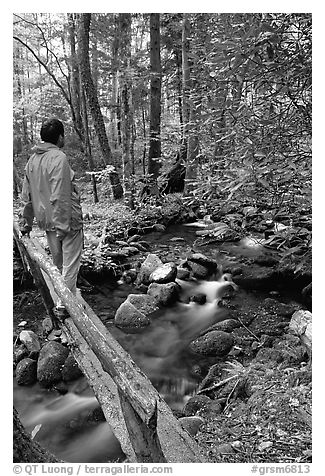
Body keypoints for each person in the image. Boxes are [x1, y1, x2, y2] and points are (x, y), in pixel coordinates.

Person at [19, 118, 83, 312]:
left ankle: (64, 299)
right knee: (70, 265)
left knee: (58, 263)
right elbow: (60, 195)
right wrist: (63, 227)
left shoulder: (32, 161)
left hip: (47, 220)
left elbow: (26, 196)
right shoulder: (58, 158)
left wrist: (25, 223)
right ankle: (64, 306)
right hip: (66, 221)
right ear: (60, 137)